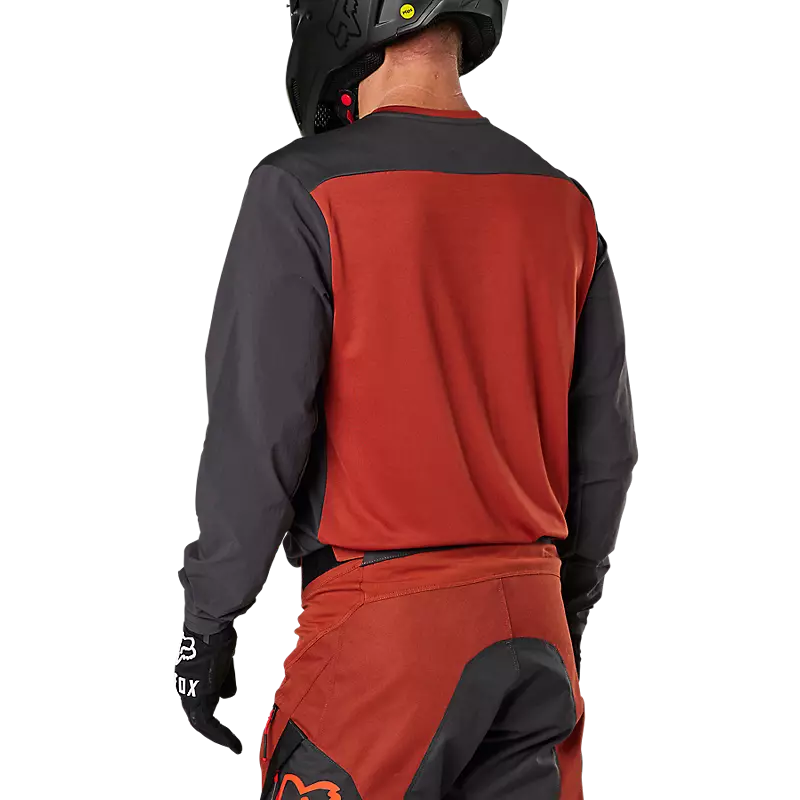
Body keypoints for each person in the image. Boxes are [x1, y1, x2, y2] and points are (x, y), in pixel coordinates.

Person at [174, 2, 638, 798]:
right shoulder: (563, 202)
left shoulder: (302, 188)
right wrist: (569, 607)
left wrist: (208, 620)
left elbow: (257, 433)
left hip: (385, 634)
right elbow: (606, 449)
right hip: (534, 627)